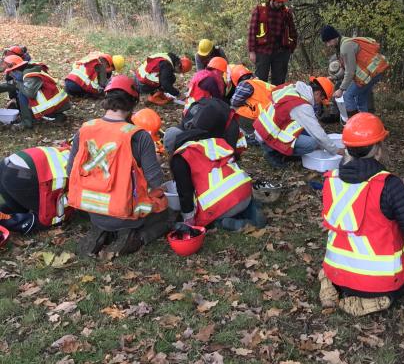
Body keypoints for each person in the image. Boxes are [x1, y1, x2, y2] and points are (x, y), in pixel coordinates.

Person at [319, 113, 404, 316]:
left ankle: (329, 284)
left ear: (346, 148)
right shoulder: (389, 186)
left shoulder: (331, 179)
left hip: (337, 271)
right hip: (379, 282)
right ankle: (378, 299)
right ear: (378, 149)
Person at [67, 75, 171, 257]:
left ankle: (101, 231)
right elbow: (155, 181)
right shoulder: (138, 136)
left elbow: (70, 171)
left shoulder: (85, 129)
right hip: (125, 211)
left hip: (91, 210)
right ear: (133, 103)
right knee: (168, 212)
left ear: (107, 100)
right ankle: (137, 236)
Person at [164, 100, 265, 232]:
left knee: (206, 218)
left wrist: (188, 219)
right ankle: (252, 211)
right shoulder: (209, 141)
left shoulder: (181, 157)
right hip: (244, 190)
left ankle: (227, 222)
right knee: (237, 198)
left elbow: (185, 192)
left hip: (225, 202)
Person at [253, 76, 344, 168]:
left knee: (310, 134)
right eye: (322, 99)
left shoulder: (295, 88)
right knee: (312, 143)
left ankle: (280, 149)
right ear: (318, 93)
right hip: (268, 134)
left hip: (264, 126)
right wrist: (335, 150)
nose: (320, 102)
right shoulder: (302, 105)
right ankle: (275, 152)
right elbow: (317, 134)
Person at [0, 143, 70, 233]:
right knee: (51, 219)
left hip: (7, 164)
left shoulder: (67, 150)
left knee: (19, 208)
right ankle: (6, 221)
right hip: (20, 175)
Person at [320, 25, 389, 117]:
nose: (328, 45)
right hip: (374, 73)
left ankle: (356, 123)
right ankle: (366, 123)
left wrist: (341, 89)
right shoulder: (344, 42)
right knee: (361, 98)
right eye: (326, 43)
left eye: (329, 41)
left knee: (347, 96)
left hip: (370, 75)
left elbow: (350, 71)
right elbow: (347, 68)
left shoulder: (345, 47)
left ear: (334, 37)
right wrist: (334, 77)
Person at [0, 55, 70, 129]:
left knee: (22, 93)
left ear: (16, 70)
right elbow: (11, 85)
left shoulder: (30, 76)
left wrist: (17, 84)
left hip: (52, 105)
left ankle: (26, 122)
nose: (12, 75)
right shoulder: (29, 69)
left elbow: (29, 94)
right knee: (20, 87)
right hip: (55, 102)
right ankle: (54, 115)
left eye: (12, 73)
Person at [247, 0, 297, 85]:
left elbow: (293, 31)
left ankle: (277, 100)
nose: (280, 4)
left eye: (281, 2)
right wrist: (252, 51)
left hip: (281, 52)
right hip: (263, 51)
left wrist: (291, 48)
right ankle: (261, 100)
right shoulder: (260, 10)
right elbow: (252, 31)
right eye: (278, 2)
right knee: (260, 82)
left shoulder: (286, 13)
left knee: (279, 83)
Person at [229, 64, 274, 135]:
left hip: (261, 120)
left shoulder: (245, 84)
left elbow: (234, 102)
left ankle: (250, 134)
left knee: (232, 109)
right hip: (272, 118)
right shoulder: (260, 83)